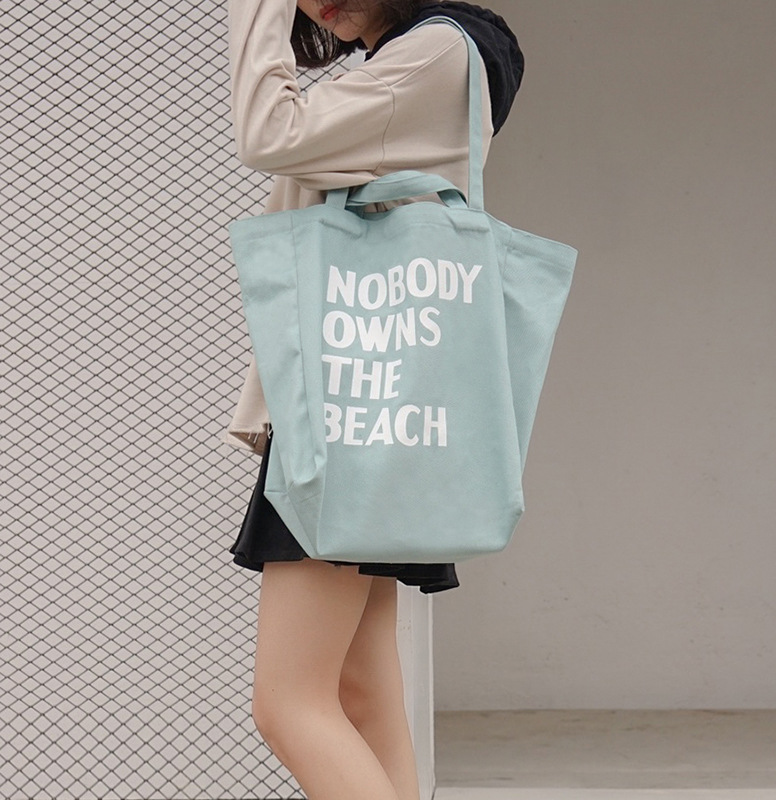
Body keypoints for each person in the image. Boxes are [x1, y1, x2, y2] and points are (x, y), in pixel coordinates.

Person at [223, 1, 524, 798]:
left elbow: (269, 134)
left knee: (288, 704)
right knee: (359, 696)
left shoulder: (437, 52)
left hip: (352, 404)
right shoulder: (399, 65)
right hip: (369, 397)